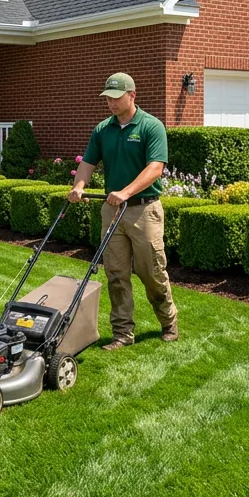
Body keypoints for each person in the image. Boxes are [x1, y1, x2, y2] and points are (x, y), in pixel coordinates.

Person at [68, 73, 178, 349]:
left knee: (152, 272)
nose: (111, 104)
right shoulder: (103, 129)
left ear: (132, 95)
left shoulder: (151, 126)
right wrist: (79, 186)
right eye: (108, 99)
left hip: (144, 210)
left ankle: (168, 322)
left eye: (116, 98)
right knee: (116, 273)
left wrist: (126, 193)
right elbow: (88, 162)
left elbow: (155, 168)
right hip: (112, 211)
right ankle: (122, 334)